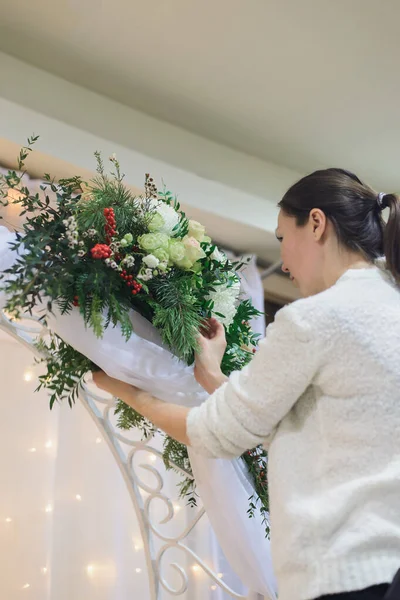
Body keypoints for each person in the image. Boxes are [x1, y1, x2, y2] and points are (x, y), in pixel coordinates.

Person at [93, 168, 400, 600]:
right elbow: (307, 424)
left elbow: (216, 433)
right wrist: (214, 377)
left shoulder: (319, 318)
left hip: (347, 572)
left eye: (281, 239)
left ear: (315, 223)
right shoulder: (388, 303)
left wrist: (125, 386)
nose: (286, 261)